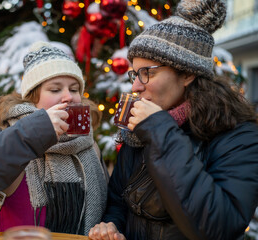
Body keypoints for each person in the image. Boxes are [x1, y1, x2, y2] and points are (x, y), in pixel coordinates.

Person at [88, 0, 258, 239]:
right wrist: (113, 226)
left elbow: (218, 226)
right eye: (135, 74)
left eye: (148, 72)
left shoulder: (237, 134)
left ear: (187, 73)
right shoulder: (140, 131)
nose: (136, 86)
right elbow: (118, 200)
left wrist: (160, 131)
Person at [0, 41, 108, 235]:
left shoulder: (88, 144)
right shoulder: (5, 134)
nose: (68, 97)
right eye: (55, 89)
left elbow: (109, 206)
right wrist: (35, 131)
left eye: (74, 89)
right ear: (31, 97)